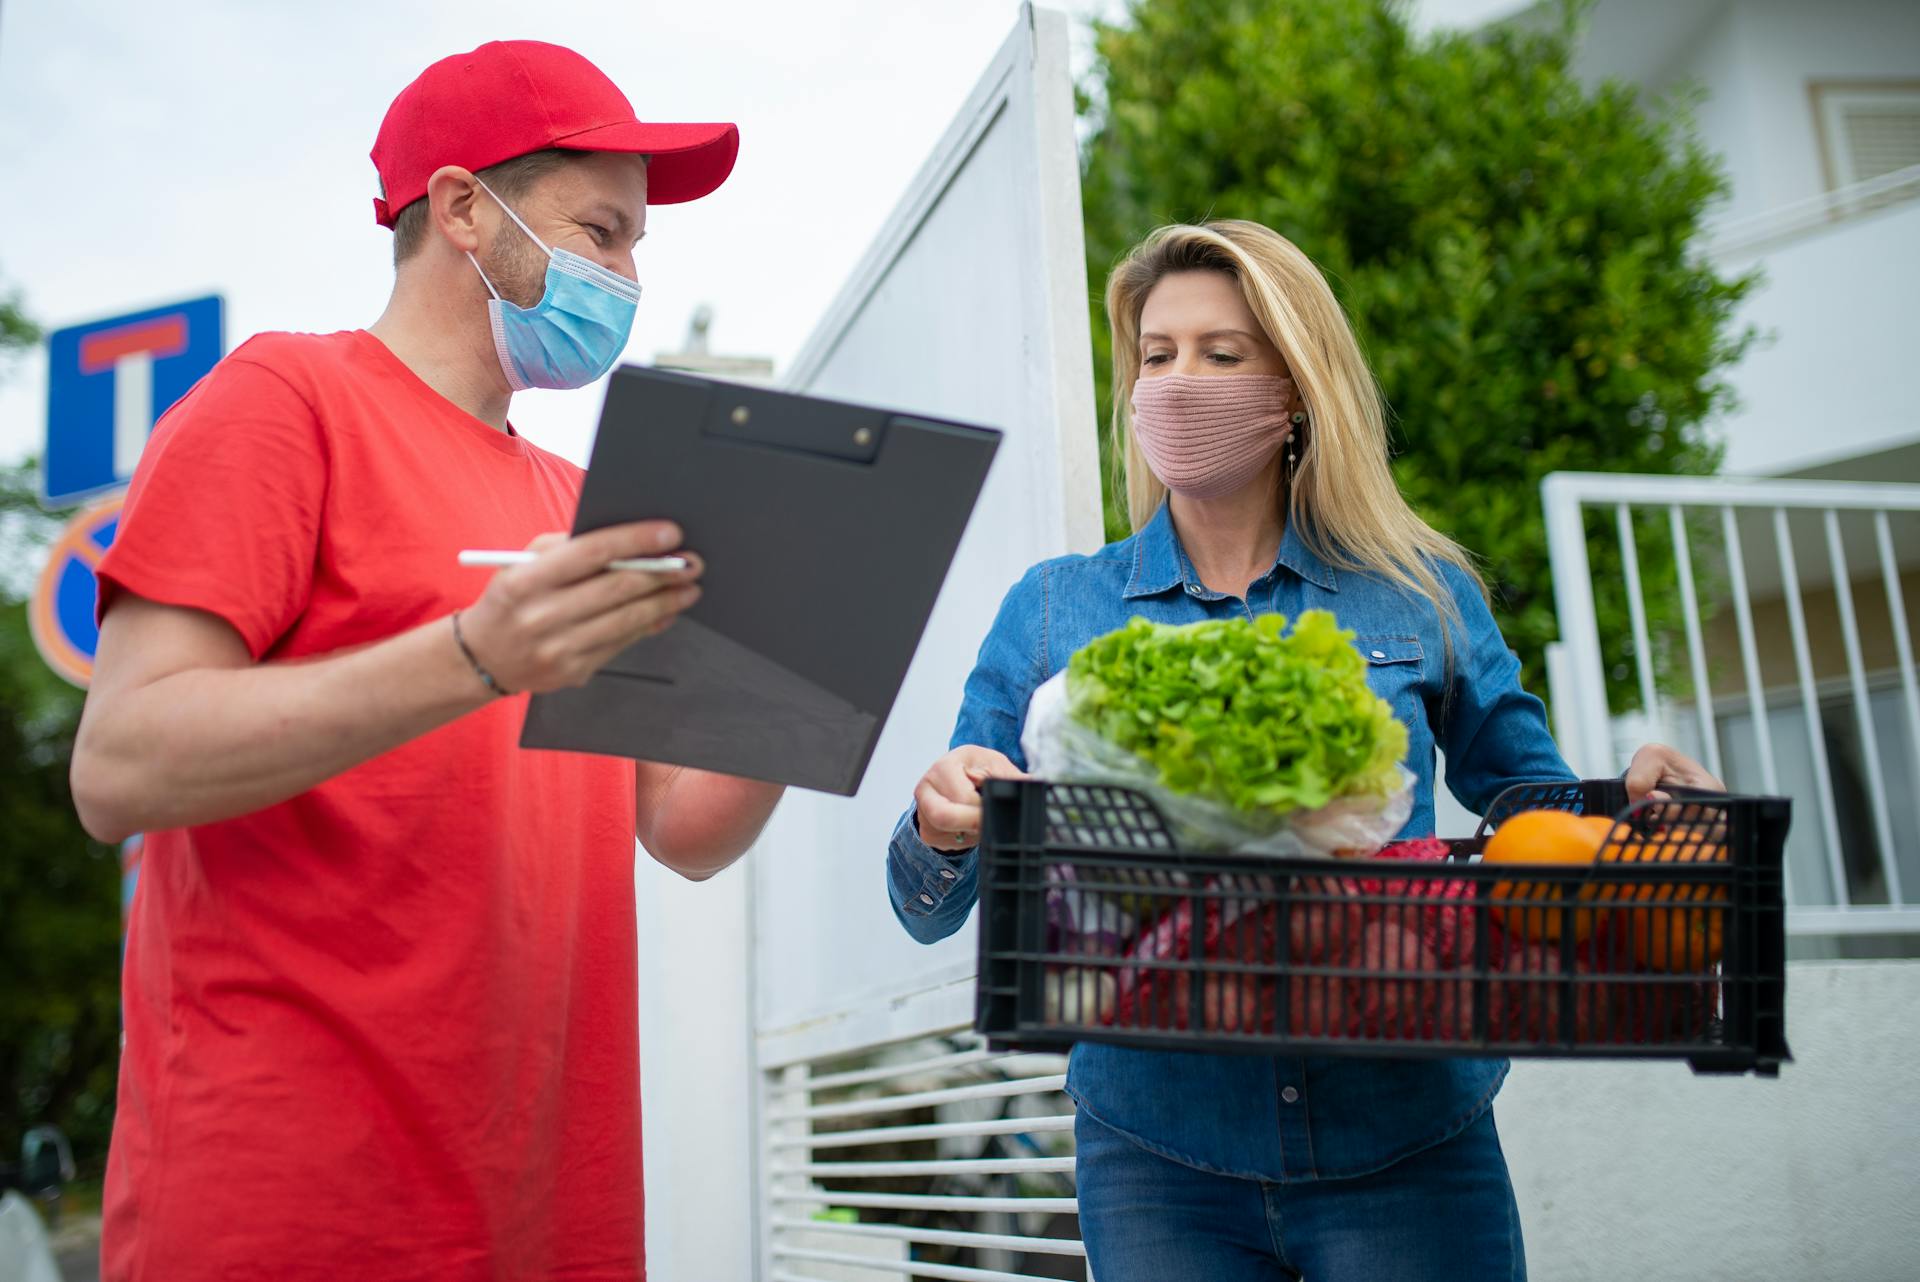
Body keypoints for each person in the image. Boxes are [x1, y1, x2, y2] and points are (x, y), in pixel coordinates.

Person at [885, 220, 1723, 1280]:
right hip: (1157, 1154)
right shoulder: (1056, 610)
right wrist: (943, 821)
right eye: (1157, 355)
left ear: (1293, 391)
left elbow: (1531, 810)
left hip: (1409, 1138)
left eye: (1222, 354)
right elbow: (931, 901)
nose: (1180, 381)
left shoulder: (1417, 593)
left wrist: (1628, 811)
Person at [70, 40, 778, 1281]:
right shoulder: (284, 400)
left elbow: (682, 828)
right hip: (295, 1206)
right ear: (462, 209)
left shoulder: (590, 501)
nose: (625, 276)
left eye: (634, 249)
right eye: (601, 231)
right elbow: (119, 762)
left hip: (548, 1206)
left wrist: (804, 676)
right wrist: (471, 655)